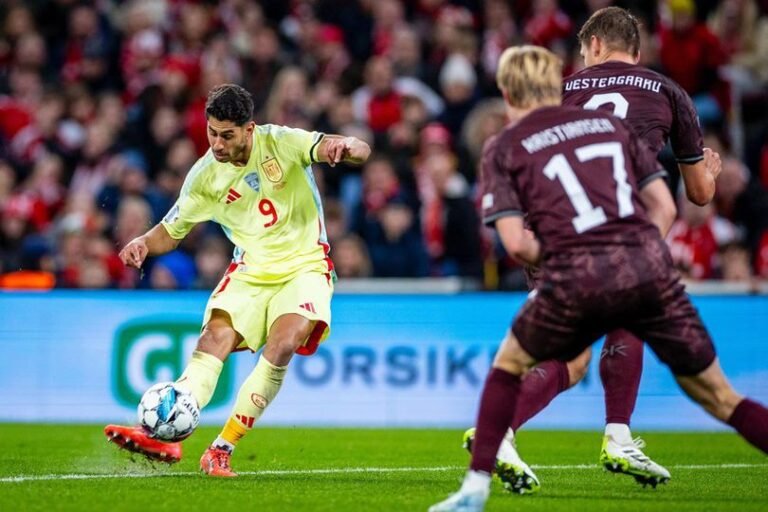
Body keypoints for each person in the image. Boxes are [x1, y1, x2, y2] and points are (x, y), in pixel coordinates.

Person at [429, 45, 768, 512]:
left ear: (506, 91)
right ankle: (618, 433)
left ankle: (474, 490)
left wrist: (569, 249)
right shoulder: (614, 128)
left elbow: (518, 244)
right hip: (642, 265)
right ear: (555, 86)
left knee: (510, 366)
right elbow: (668, 208)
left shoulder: (503, 147)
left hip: (571, 268)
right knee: (722, 398)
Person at [463, 6, 723, 491]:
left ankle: (503, 432)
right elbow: (700, 195)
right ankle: (617, 433)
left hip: (556, 226)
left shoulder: (559, 90)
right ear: (636, 52)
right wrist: (710, 169)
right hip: (623, 223)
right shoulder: (669, 90)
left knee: (573, 354)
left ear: (596, 46)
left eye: (583, 52)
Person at [104, 83, 371, 476]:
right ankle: (161, 432)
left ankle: (221, 448)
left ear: (250, 129)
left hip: (305, 266)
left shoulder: (281, 142)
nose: (217, 144)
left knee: (283, 344)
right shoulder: (204, 177)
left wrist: (345, 146)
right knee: (213, 338)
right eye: (212, 132)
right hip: (250, 271)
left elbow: (359, 149)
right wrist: (144, 242)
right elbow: (171, 230)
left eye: (227, 135)